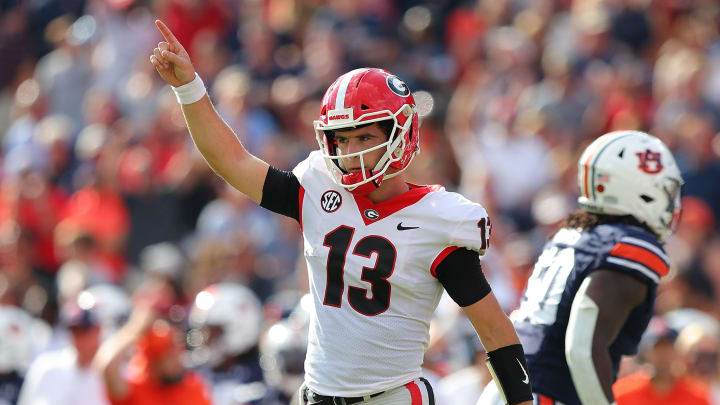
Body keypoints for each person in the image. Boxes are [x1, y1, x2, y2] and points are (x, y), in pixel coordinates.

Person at [150, 19, 533, 405]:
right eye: (343, 139)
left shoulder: (440, 219)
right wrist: (188, 87)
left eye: (365, 137)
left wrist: (521, 401)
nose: (351, 153)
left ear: (401, 136)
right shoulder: (318, 186)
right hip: (315, 395)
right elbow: (230, 161)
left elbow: (494, 332)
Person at [478, 131, 684, 405]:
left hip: (507, 390)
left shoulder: (573, 234)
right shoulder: (628, 245)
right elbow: (582, 347)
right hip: (547, 394)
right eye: (664, 190)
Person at [93, 304, 212, 405]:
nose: (178, 358)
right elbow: (108, 367)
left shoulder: (193, 387)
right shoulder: (136, 392)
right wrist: (135, 328)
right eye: (169, 354)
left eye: (178, 349)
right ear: (153, 360)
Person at [187, 283, 267, 405]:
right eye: (202, 331)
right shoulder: (190, 375)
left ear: (238, 328)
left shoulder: (263, 380)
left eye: (212, 331)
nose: (204, 339)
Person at [17, 302, 108, 405]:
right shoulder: (45, 366)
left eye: (85, 331)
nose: (80, 338)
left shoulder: (111, 373)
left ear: (99, 330)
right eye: (75, 332)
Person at [613, 318, 710, 405]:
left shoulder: (697, 397)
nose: (663, 355)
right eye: (658, 349)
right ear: (647, 352)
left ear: (676, 351)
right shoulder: (623, 393)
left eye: (667, 348)